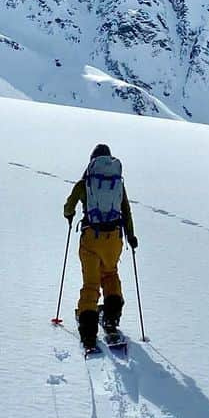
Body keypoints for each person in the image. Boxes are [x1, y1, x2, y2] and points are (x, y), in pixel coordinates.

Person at [63, 143, 138, 350]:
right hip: (114, 239)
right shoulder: (117, 183)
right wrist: (131, 236)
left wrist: (69, 215)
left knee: (91, 283)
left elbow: (69, 206)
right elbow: (126, 211)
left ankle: (88, 331)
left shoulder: (86, 182)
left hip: (91, 238)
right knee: (111, 274)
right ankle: (111, 318)